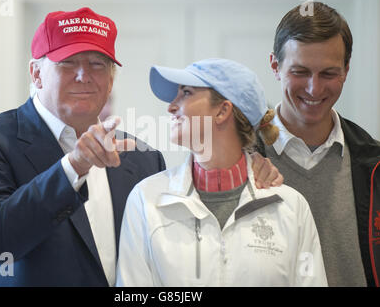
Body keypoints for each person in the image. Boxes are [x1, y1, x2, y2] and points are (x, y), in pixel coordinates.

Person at [0, 7, 281, 287]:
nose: (85, 75)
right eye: (68, 63)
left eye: (98, 64)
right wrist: (73, 166)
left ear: (111, 79)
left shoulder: (143, 158)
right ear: (36, 74)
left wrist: (248, 165)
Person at [116, 58, 327, 286]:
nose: (171, 106)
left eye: (185, 92)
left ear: (222, 110)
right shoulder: (145, 200)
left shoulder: (292, 208)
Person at [263, 1, 380, 287]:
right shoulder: (239, 158)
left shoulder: (375, 162)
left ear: (346, 70)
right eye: (300, 72)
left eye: (328, 74)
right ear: (275, 66)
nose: (314, 88)